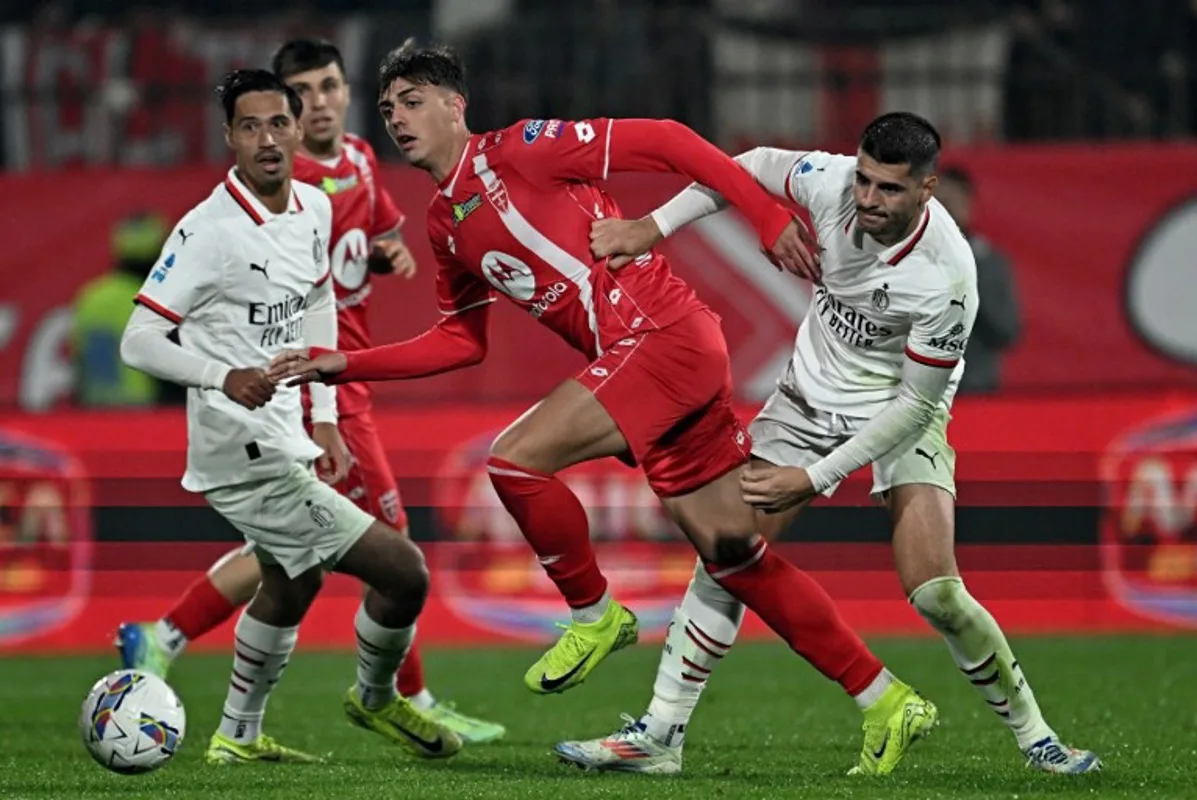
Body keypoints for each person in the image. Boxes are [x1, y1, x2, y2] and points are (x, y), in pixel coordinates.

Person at [270, 40, 935, 776]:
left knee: (515, 460)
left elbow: (674, 142)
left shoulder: (523, 148)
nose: (397, 116)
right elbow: (462, 342)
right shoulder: (442, 222)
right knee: (734, 554)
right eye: (389, 105)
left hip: (664, 338)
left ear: (457, 106)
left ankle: (594, 613)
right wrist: (343, 362)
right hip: (648, 360)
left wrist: (765, 216)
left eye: (415, 100)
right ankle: (884, 697)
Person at [556, 112, 1101, 775]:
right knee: (727, 552)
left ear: (928, 189)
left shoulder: (947, 278)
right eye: (865, 180)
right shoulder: (831, 182)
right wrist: (652, 227)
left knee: (935, 591)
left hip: (900, 414)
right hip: (805, 403)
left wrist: (813, 479)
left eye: (889, 190)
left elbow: (914, 404)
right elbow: (746, 166)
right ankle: (660, 734)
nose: (868, 200)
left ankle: (1038, 739)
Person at [114, 38, 505, 745]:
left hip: (299, 426)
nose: (267, 138)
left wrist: (324, 415)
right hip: (242, 444)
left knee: (290, 581)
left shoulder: (316, 207)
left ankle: (236, 731)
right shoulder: (209, 231)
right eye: (250, 126)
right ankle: (383, 697)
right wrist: (221, 374)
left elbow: (320, 299)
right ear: (229, 137)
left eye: (278, 123)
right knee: (402, 568)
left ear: (298, 129)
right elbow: (137, 340)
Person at [71, 213, 185, 407]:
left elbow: (79, 365)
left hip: (94, 416)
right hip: (144, 417)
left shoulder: (90, 297)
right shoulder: (154, 303)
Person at [934, 166, 1021, 394]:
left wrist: (969, 284)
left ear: (968, 205)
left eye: (952, 203)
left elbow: (1007, 332)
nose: (947, 213)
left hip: (975, 391)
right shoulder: (908, 262)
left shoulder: (989, 263)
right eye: (940, 204)